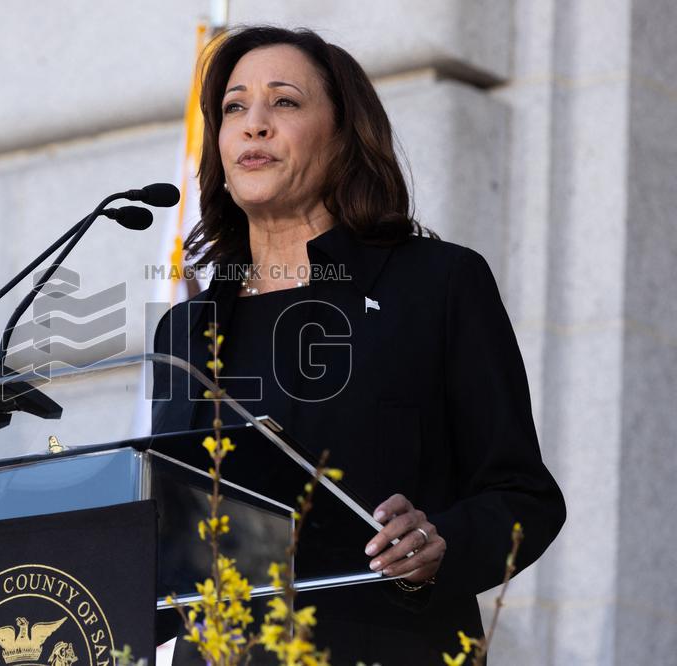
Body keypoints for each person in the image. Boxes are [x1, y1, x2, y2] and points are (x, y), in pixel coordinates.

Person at [150, 26, 566, 663]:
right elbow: (170, 533)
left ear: (343, 136)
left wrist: (440, 543)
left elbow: (524, 496)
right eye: (234, 108)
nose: (253, 125)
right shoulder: (185, 332)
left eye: (284, 102)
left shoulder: (437, 285)